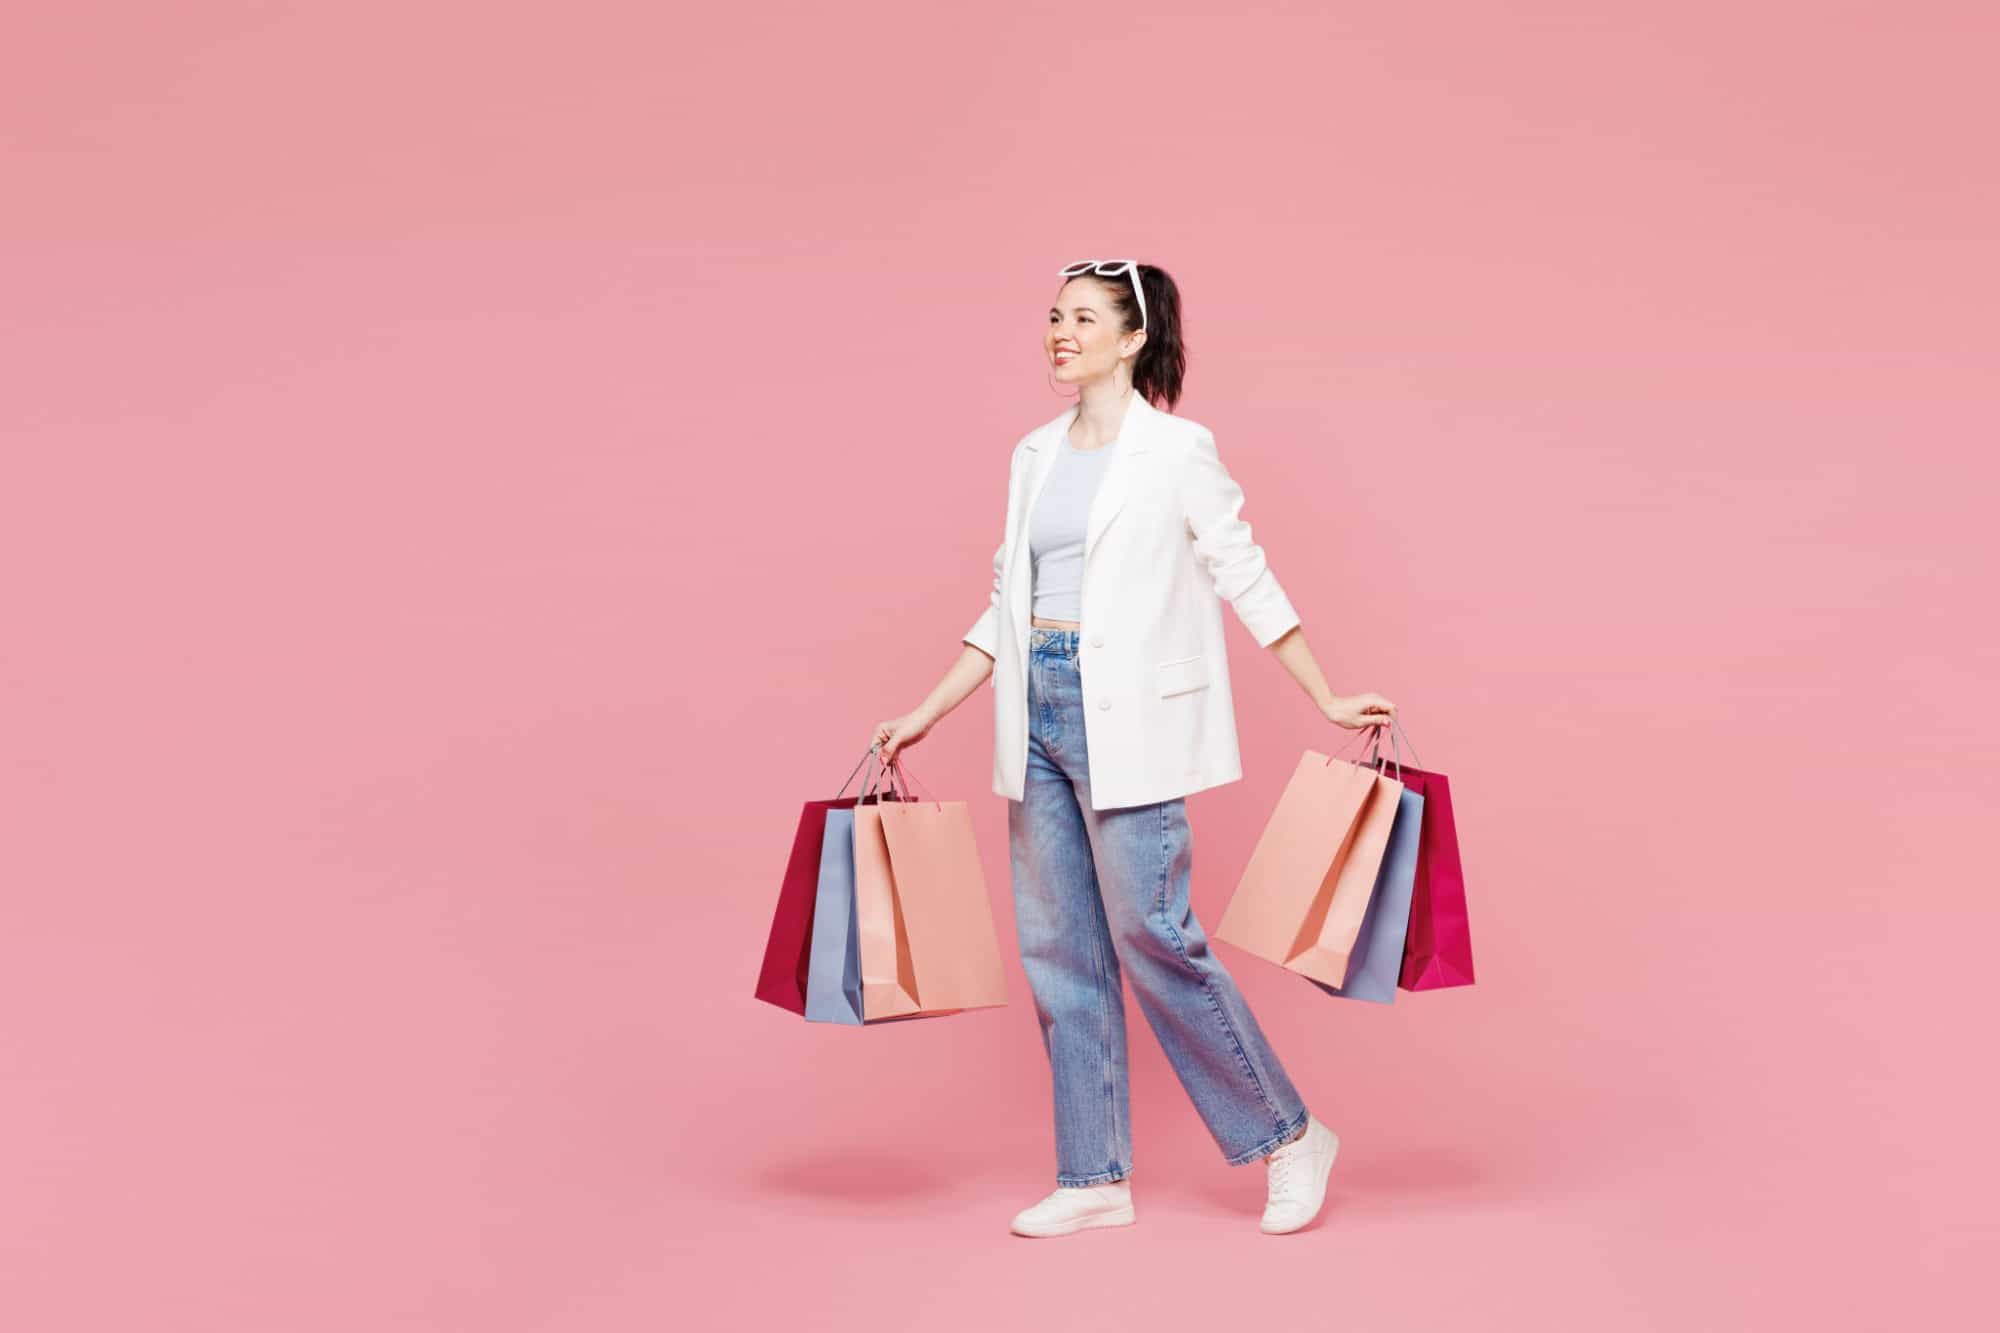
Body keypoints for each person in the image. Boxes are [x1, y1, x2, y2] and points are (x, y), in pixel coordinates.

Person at [868, 259, 1396, 1238]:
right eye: (1051, 316)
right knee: (1058, 947)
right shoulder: (1033, 452)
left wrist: (1323, 694)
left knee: (1153, 932)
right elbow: (1005, 603)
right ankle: (1091, 1173)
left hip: (1132, 720)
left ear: (1131, 337)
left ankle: (1287, 1134)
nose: (1057, 332)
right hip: (1037, 712)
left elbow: (1244, 574)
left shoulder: (1176, 450)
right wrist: (927, 710)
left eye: (1080, 317)